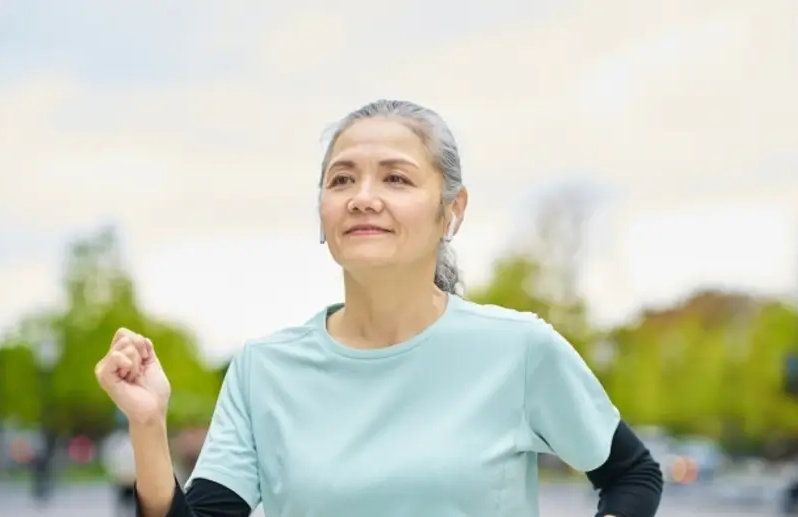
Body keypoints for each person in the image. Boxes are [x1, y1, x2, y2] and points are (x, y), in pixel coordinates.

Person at [95, 99, 663, 517]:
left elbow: (632, 475)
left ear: (452, 211)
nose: (363, 195)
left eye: (395, 177)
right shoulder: (262, 370)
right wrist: (148, 426)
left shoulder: (518, 349)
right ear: (323, 212)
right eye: (342, 179)